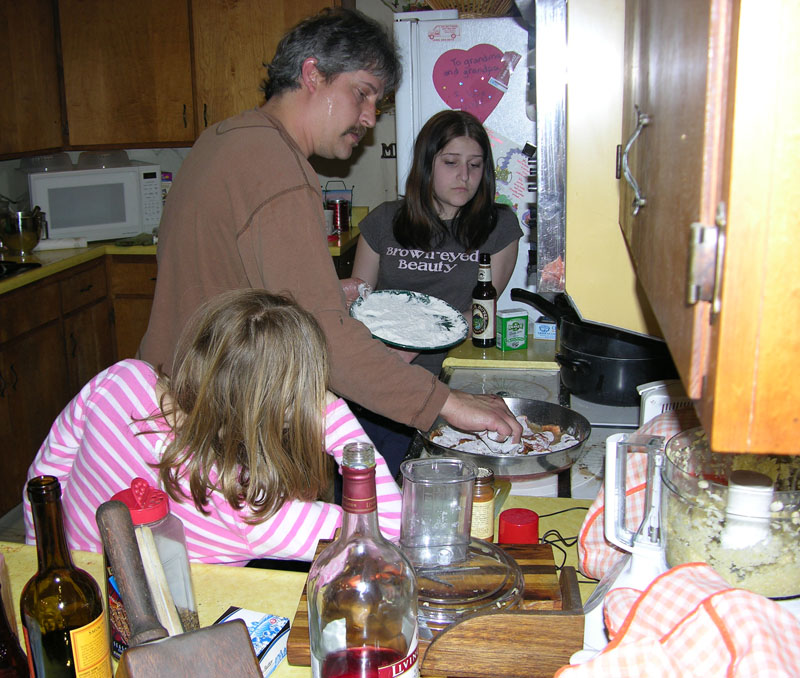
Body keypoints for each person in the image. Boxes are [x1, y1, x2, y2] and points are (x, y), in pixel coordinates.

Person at [136, 8, 522, 452]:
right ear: (313, 74)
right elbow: (325, 341)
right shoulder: (278, 167)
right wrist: (448, 403)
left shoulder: (219, 139)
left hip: (173, 400)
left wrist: (324, 291)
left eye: (377, 103)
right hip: (226, 420)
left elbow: (219, 282)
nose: (370, 117)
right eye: (362, 93)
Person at [23, 289, 402, 564]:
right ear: (287, 410)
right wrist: (335, 415)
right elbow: (390, 534)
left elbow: (45, 476)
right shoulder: (253, 511)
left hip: (83, 595)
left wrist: (41, 562)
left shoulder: (121, 380)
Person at [348, 110, 522, 470]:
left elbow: (479, 316)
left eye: (475, 165)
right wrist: (389, 359)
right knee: (370, 488)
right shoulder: (383, 220)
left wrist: (412, 347)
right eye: (451, 162)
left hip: (454, 383)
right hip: (382, 382)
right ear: (427, 164)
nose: (465, 176)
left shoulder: (499, 227)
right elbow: (359, 306)